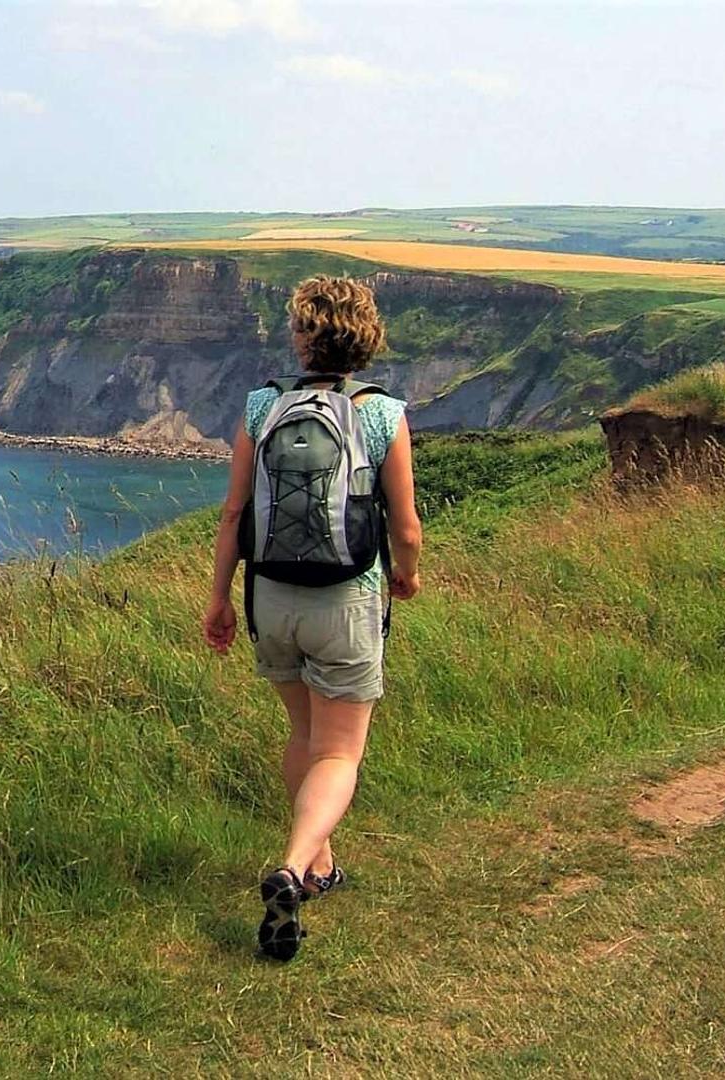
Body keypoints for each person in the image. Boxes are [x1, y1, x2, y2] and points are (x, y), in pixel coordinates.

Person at [201, 274, 423, 962]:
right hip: (347, 599)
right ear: (366, 338)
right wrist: (408, 575)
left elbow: (234, 513)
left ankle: (320, 866)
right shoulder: (382, 414)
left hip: (271, 596)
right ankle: (295, 868)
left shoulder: (262, 406)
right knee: (339, 752)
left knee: (302, 733)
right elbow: (406, 526)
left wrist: (218, 598)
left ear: (302, 338)